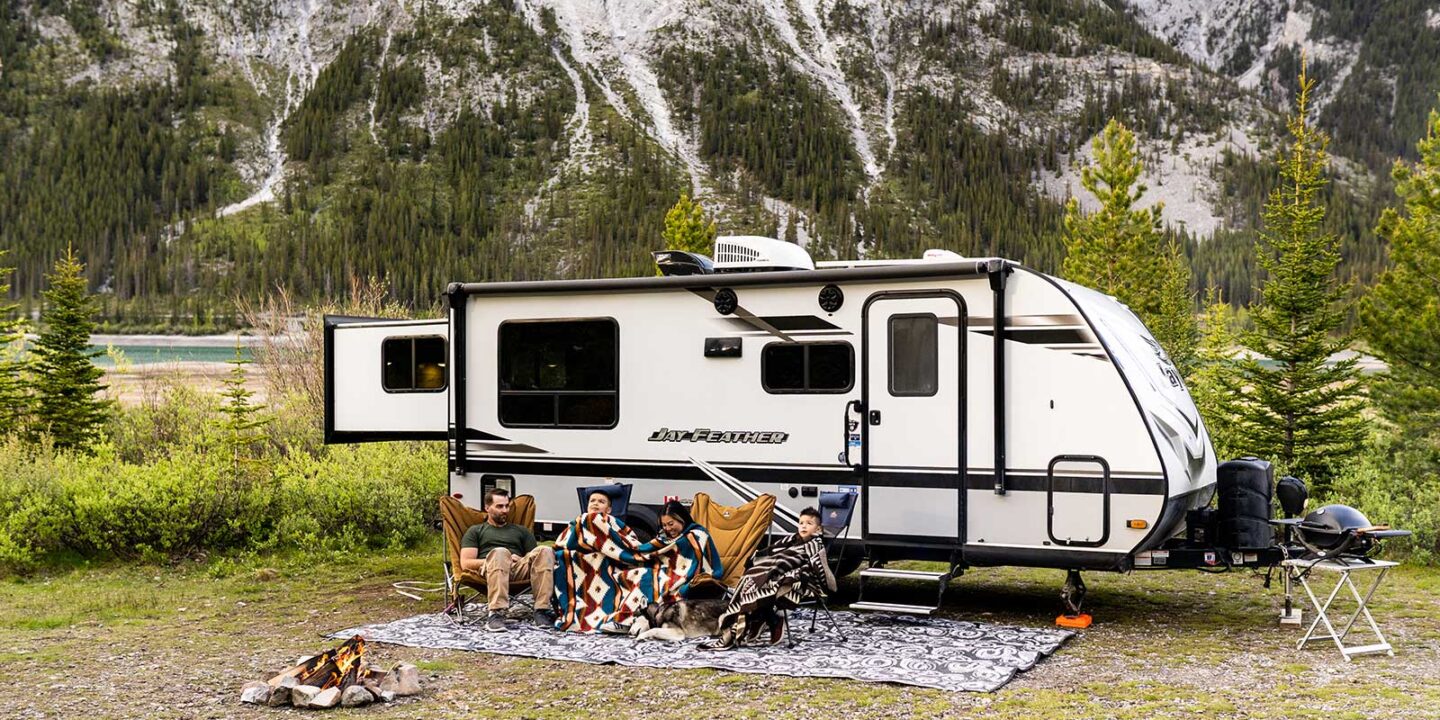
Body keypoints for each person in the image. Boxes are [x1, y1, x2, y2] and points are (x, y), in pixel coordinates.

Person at [552, 494, 721, 633]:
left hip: (681, 576)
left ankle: (626, 619)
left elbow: (701, 562)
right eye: (664, 525)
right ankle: (624, 618)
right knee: (628, 576)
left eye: (672, 524)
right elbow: (651, 550)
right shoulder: (665, 538)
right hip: (661, 570)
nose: (669, 529)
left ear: (682, 519)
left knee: (645, 577)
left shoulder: (697, 535)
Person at [703, 506, 836, 650]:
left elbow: (819, 567)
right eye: (801, 523)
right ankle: (760, 617)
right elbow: (772, 551)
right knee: (750, 579)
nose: (804, 526)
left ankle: (771, 620)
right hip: (777, 573)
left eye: (809, 523)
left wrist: (800, 573)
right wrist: (758, 558)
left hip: (798, 580)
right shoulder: (791, 539)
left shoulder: (816, 545)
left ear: (817, 529)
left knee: (766, 584)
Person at [459, 488, 556, 632]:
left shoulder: (521, 531)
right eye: (499, 506)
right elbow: (466, 563)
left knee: (545, 550)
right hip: (489, 570)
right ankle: (496, 613)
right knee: (500, 553)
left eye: (507, 506)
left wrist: (519, 559)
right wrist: (498, 559)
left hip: (518, 570)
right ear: (487, 508)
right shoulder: (475, 531)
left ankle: (541, 610)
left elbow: (536, 559)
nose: (504, 510)